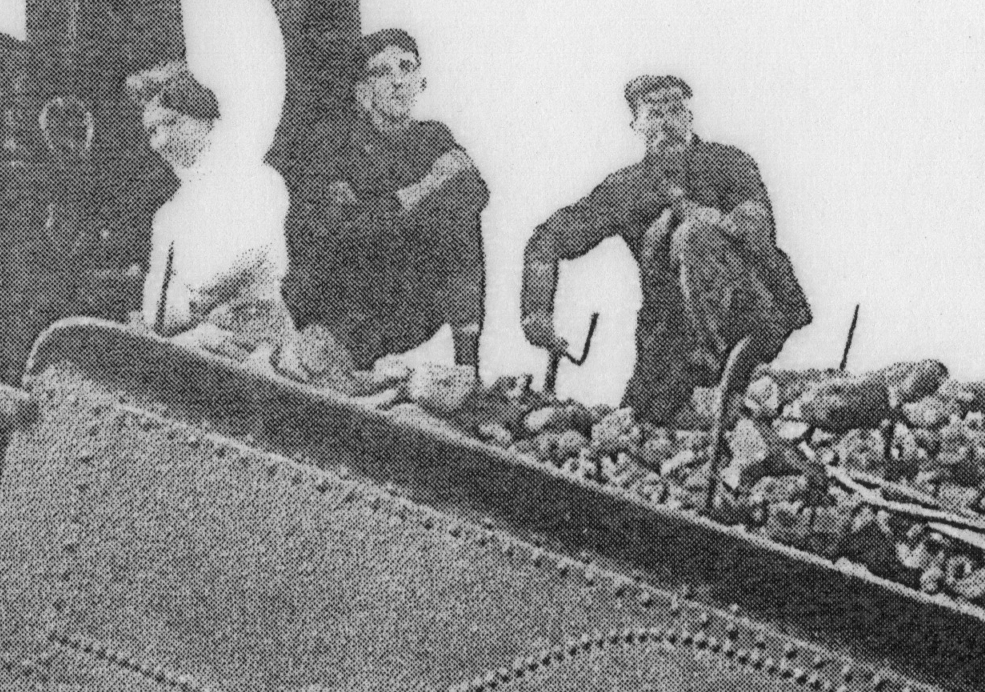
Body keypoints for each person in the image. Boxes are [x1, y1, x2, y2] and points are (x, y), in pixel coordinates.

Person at [521, 75, 812, 429]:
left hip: (749, 314)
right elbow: (548, 239)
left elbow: (755, 228)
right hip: (668, 336)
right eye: (655, 113)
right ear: (637, 124)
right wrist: (536, 314)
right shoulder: (626, 188)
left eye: (677, 110)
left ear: (691, 115)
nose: (668, 122)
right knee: (642, 425)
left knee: (694, 235)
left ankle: (714, 384)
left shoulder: (730, 163)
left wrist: (686, 210)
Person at [285, 28, 490, 371]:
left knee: (463, 224)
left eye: (407, 68)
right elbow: (346, 232)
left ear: (421, 81)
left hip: (409, 294)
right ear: (363, 92)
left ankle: (466, 365)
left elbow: (475, 194)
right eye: (383, 72)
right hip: (345, 292)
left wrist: (387, 211)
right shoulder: (338, 143)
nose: (398, 81)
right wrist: (427, 186)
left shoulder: (434, 137)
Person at [129, 61, 294, 363]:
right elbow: (156, 312)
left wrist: (186, 301)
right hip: (199, 343)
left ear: (206, 120)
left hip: (257, 342)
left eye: (172, 122)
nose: (160, 141)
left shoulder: (257, 180)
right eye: (152, 130)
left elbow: (244, 261)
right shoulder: (169, 215)